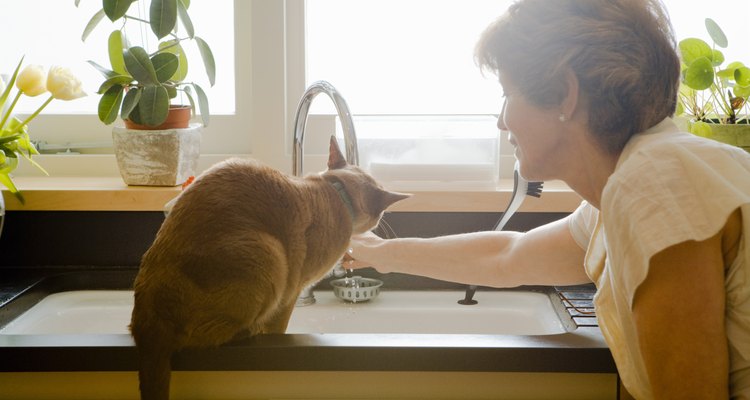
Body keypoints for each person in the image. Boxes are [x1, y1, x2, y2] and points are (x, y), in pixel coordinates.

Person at [345, 0, 750, 398]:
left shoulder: (654, 185)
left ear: (563, 94)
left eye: (507, 94)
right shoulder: (639, 181)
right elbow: (507, 257)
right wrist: (380, 252)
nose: (502, 120)